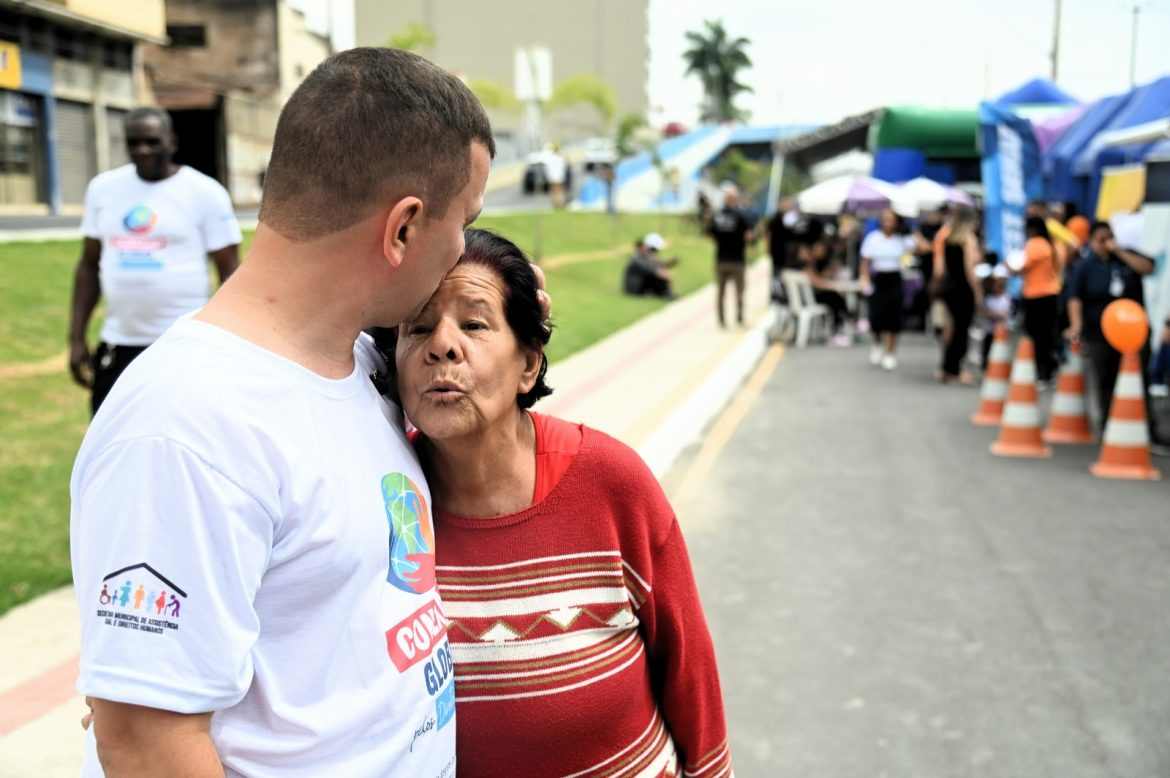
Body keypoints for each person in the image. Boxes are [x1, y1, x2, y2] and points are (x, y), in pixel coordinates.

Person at [71, 47, 496, 775]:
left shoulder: (358, 362)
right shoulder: (185, 428)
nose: (461, 252)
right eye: (465, 224)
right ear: (402, 229)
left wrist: (509, 328)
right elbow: (146, 744)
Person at [393, 228, 734, 776]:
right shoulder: (382, 502)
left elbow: (688, 664)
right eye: (418, 328)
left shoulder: (610, 482)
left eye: (475, 323)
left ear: (529, 364)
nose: (442, 345)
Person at [67, 107, 242, 415]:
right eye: (133, 143)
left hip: (182, 345)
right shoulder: (103, 189)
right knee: (110, 446)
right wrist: (77, 336)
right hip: (118, 345)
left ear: (172, 142)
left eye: (151, 141)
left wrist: (227, 345)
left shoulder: (205, 193)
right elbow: (88, 265)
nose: (142, 150)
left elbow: (231, 274)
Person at [1064, 221, 1168, 455]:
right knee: (1105, 379)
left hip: (1134, 332)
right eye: (1101, 240)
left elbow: (1148, 268)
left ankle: (1147, 430)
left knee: (1139, 379)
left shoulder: (1126, 258)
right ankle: (1108, 427)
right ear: (1091, 241)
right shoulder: (1086, 267)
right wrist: (1076, 324)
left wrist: (1118, 250)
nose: (1106, 244)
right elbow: (1075, 296)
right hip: (1099, 333)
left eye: (1109, 238)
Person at [859, 208, 927, 371]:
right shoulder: (873, 238)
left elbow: (924, 248)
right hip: (879, 279)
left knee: (893, 317)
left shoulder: (902, 239)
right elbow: (865, 261)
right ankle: (877, 344)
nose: (888, 223)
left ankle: (890, 353)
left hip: (895, 279)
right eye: (885, 219)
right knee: (876, 316)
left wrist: (912, 231)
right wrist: (864, 279)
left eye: (891, 219)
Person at [1010, 216, 1063, 385]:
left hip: (1035, 295)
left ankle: (1042, 371)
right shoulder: (1052, 245)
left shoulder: (1035, 244)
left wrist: (1009, 267)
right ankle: (1049, 369)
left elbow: (1023, 267)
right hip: (1051, 293)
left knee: (1036, 335)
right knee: (1048, 334)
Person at [932, 211, 983, 384]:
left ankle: (946, 368)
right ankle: (955, 370)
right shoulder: (968, 240)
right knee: (961, 331)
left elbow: (940, 269)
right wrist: (977, 292)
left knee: (953, 330)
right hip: (963, 289)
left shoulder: (947, 240)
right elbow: (970, 270)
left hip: (949, 288)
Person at [707, 183, 755, 327]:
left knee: (721, 293)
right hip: (737, 259)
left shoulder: (718, 215)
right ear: (735, 199)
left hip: (721, 258)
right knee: (739, 291)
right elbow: (749, 235)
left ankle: (722, 321)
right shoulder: (740, 215)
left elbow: (710, 236)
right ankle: (739, 318)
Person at [623, 232, 678, 299]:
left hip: (640, 285)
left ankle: (666, 292)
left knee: (657, 274)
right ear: (639, 248)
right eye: (645, 247)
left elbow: (656, 264)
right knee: (655, 276)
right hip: (634, 289)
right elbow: (649, 269)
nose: (647, 249)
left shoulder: (643, 257)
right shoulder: (635, 258)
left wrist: (665, 269)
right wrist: (664, 275)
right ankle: (665, 293)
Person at [979, 268, 1013, 371]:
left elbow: (1007, 313)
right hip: (990, 330)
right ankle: (986, 366)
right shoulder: (989, 299)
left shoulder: (1006, 298)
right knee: (987, 349)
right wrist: (993, 314)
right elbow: (985, 311)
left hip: (1001, 332)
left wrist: (999, 315)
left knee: (1000, 350)